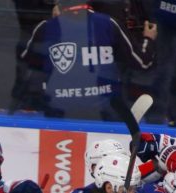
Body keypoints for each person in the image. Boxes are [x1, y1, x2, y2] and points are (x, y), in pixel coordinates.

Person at [17, 0, 156, 120]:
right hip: (104, 115)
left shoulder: (46, 27)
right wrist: (148, 38)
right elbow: (142, 62)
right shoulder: (109, 24)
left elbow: (24, 59)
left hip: (58, 113)